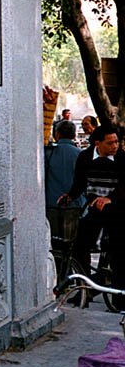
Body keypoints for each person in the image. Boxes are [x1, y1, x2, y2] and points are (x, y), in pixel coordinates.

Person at [60, 124, 125, 288]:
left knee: (118, 248)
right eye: (110, 143)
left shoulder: (122, 159)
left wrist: (110, 199)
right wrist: (70, 196)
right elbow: (80, 183)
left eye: (116, 142)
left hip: (116, 207)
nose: (114, 146)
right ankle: (85, 286)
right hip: (95, 205)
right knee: (80, 244)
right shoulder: (85, 157)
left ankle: (118, 292)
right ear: (98, 143)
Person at [44, 120, 83, 209]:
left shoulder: (48, 153)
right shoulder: (81, 154)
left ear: (57, 134)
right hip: (76, 203)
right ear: (74, 135)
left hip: (52, 203)